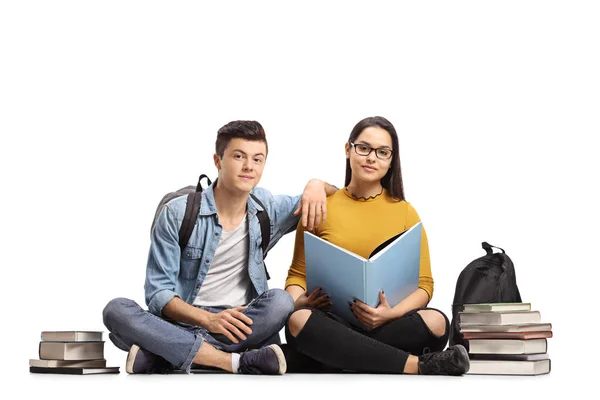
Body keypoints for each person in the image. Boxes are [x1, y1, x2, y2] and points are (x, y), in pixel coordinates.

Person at [102, 120, 337, 375]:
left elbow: (335, 194)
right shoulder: (177, 213)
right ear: (218, 160)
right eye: (239, 156)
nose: (249, 166)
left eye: (258, 159)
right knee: (116, 310)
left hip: (237, 325)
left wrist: (315, 184)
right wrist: (208, 320)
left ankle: (166, 354)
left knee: (280, 301)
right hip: (179, 320)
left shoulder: (267, 209)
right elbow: (158, 294)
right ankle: (231, 362)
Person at [282, 116, 470, 375]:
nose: (372, 158)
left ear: (391, 160)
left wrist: (391, 314)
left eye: (382, 152)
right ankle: (418, 365)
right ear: (348, 150)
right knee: (298, 320)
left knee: (437, 322)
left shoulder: (405, 212)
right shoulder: (322, 204)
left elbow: (425, 286)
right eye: (364, 148)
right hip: (331, 319)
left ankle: (326, 356)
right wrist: (298, 300)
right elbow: (297, 275)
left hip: (387, 324)